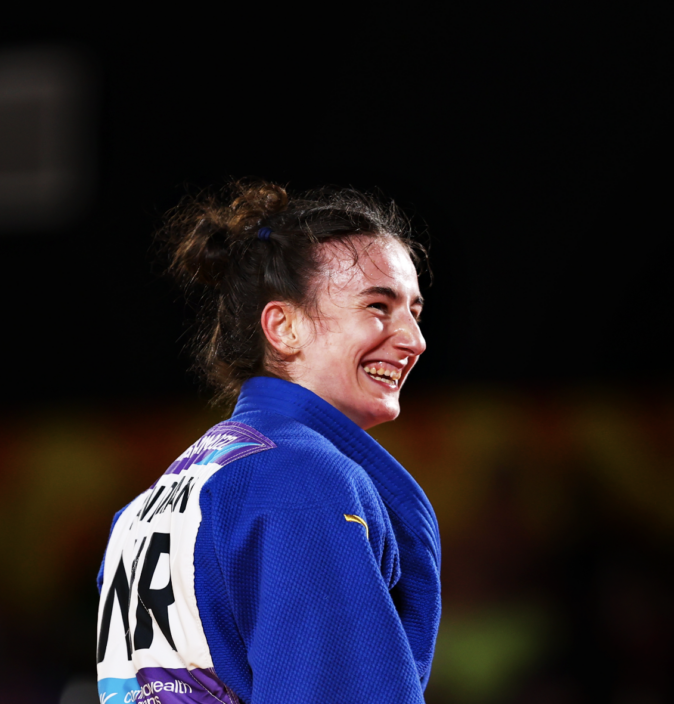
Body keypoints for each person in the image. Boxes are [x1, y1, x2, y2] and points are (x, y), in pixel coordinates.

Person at [95, 181, 441, 703]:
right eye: (378, 306)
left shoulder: (145, 509)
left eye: (414, 312)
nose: (414, 340)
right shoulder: (302, 482)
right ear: (283, 326)